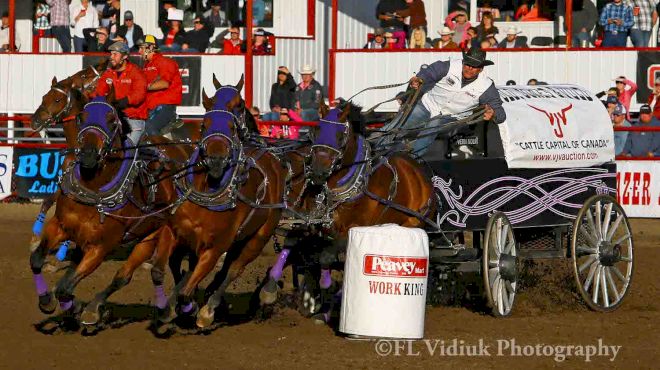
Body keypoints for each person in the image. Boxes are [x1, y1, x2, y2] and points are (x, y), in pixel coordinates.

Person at [404, 48, 506, 156]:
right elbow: (430, 72)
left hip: (453, 118)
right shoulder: (448, 67)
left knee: (434, 123)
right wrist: (420, 79)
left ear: (481, 69)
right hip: (428, 105)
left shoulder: (486, 86)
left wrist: (493, 113)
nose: (469, 68)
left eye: (474, 66)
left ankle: (413, 158)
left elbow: (501, 114)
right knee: (398, 124)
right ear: (463, 62)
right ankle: (384, 148)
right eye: (467, 64)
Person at [93, 41, 148, 145]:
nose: (111, 57)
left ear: (124, 56)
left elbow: (139, 94)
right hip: (113, 120)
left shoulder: (136, 72)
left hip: (133, 120)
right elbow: (99, 93)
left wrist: (125, 101)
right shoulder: (108, 74)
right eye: (111, 54)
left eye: (115, 54)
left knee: (128, 149)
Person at [138, 35, 183, 136]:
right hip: (150, 107)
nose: (139, 51)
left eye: (142, 48)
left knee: (148, 127)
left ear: (150, 48)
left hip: (164, 105)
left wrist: (142, 87)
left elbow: (164, 83)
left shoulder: (165, 62)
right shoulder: (146, 66)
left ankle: (157, 151)